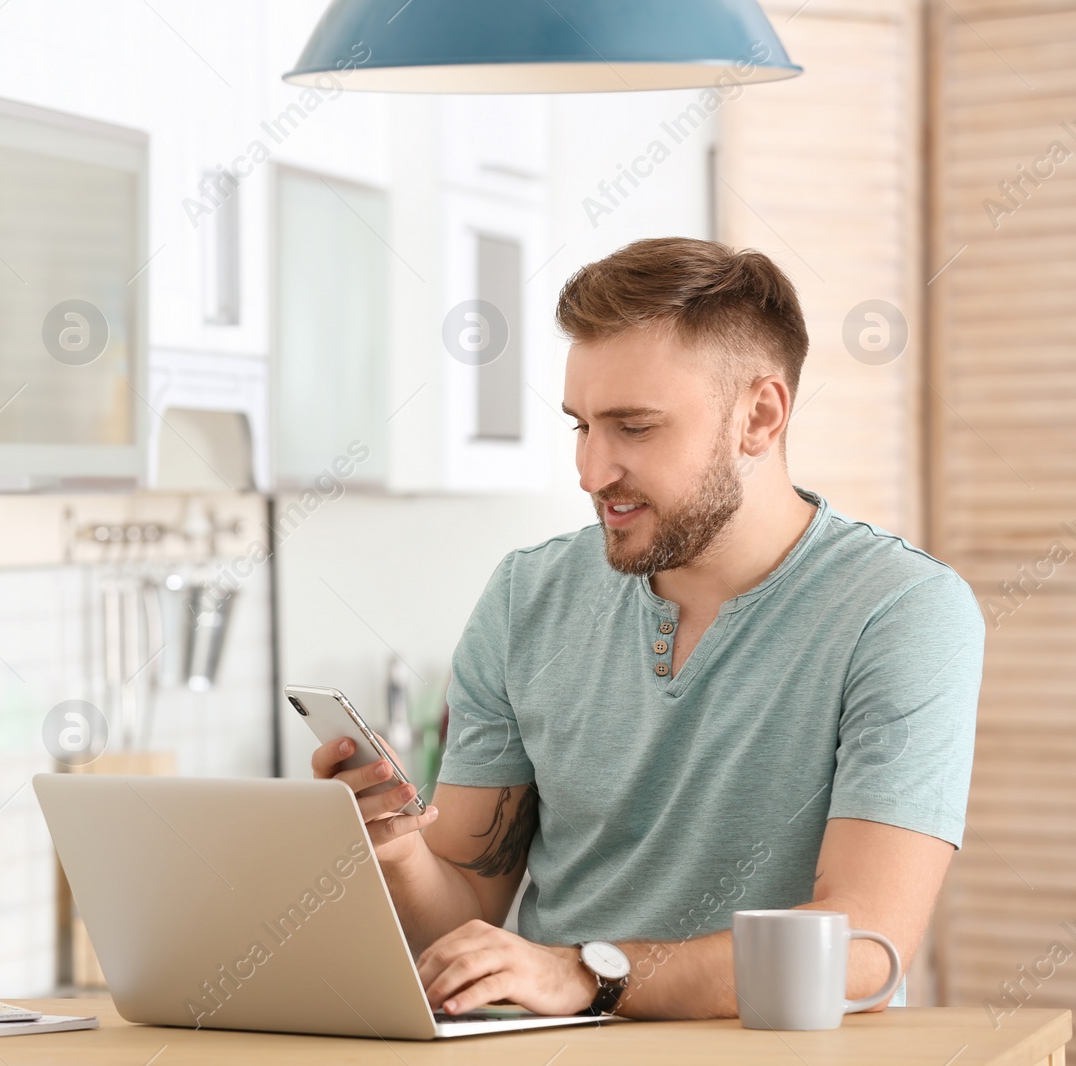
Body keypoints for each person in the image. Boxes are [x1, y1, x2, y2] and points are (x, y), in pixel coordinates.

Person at [313, 237, 984, 1020]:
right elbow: (466, 915)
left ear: (760, 417)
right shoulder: (526, 596)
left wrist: (587, 975)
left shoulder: (900, 612)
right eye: (581, 427)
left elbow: (865, 946)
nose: (591, 472)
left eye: (633, 428)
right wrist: (394, 847)